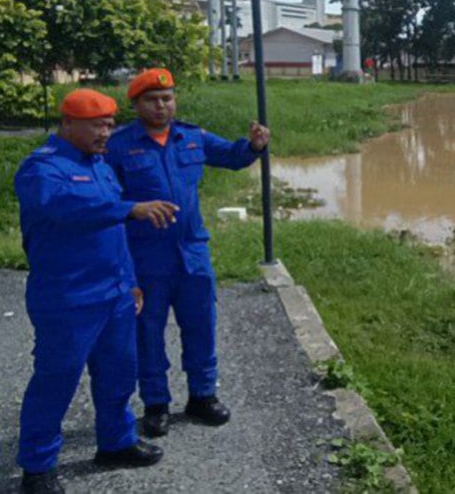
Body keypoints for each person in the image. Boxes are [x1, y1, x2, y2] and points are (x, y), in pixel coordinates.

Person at [14, 89, 177, 494]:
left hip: (115, 293)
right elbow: (66, 208)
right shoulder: (42, 170)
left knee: (119, 373)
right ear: (68, 123)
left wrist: (131, 281)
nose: (106, 132)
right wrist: (128, 207)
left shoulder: (101, 166)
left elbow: (114, 236)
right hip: (68, 297)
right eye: (96, 125)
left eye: (109, 124)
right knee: (57, 380)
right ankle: (38, 467)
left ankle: (116, 442)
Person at [105, 68, 270, 439]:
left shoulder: (192, 137)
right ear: (136, 105)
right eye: (152, 100)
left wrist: (254, 146)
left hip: (192, 252)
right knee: (148, 330)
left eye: (167, 98)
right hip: (146, 256)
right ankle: (156, 403)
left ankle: (202, 395)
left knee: (201, 325)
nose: (162, 106)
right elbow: (108, 201)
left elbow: (230, 155)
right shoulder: (118, 146)